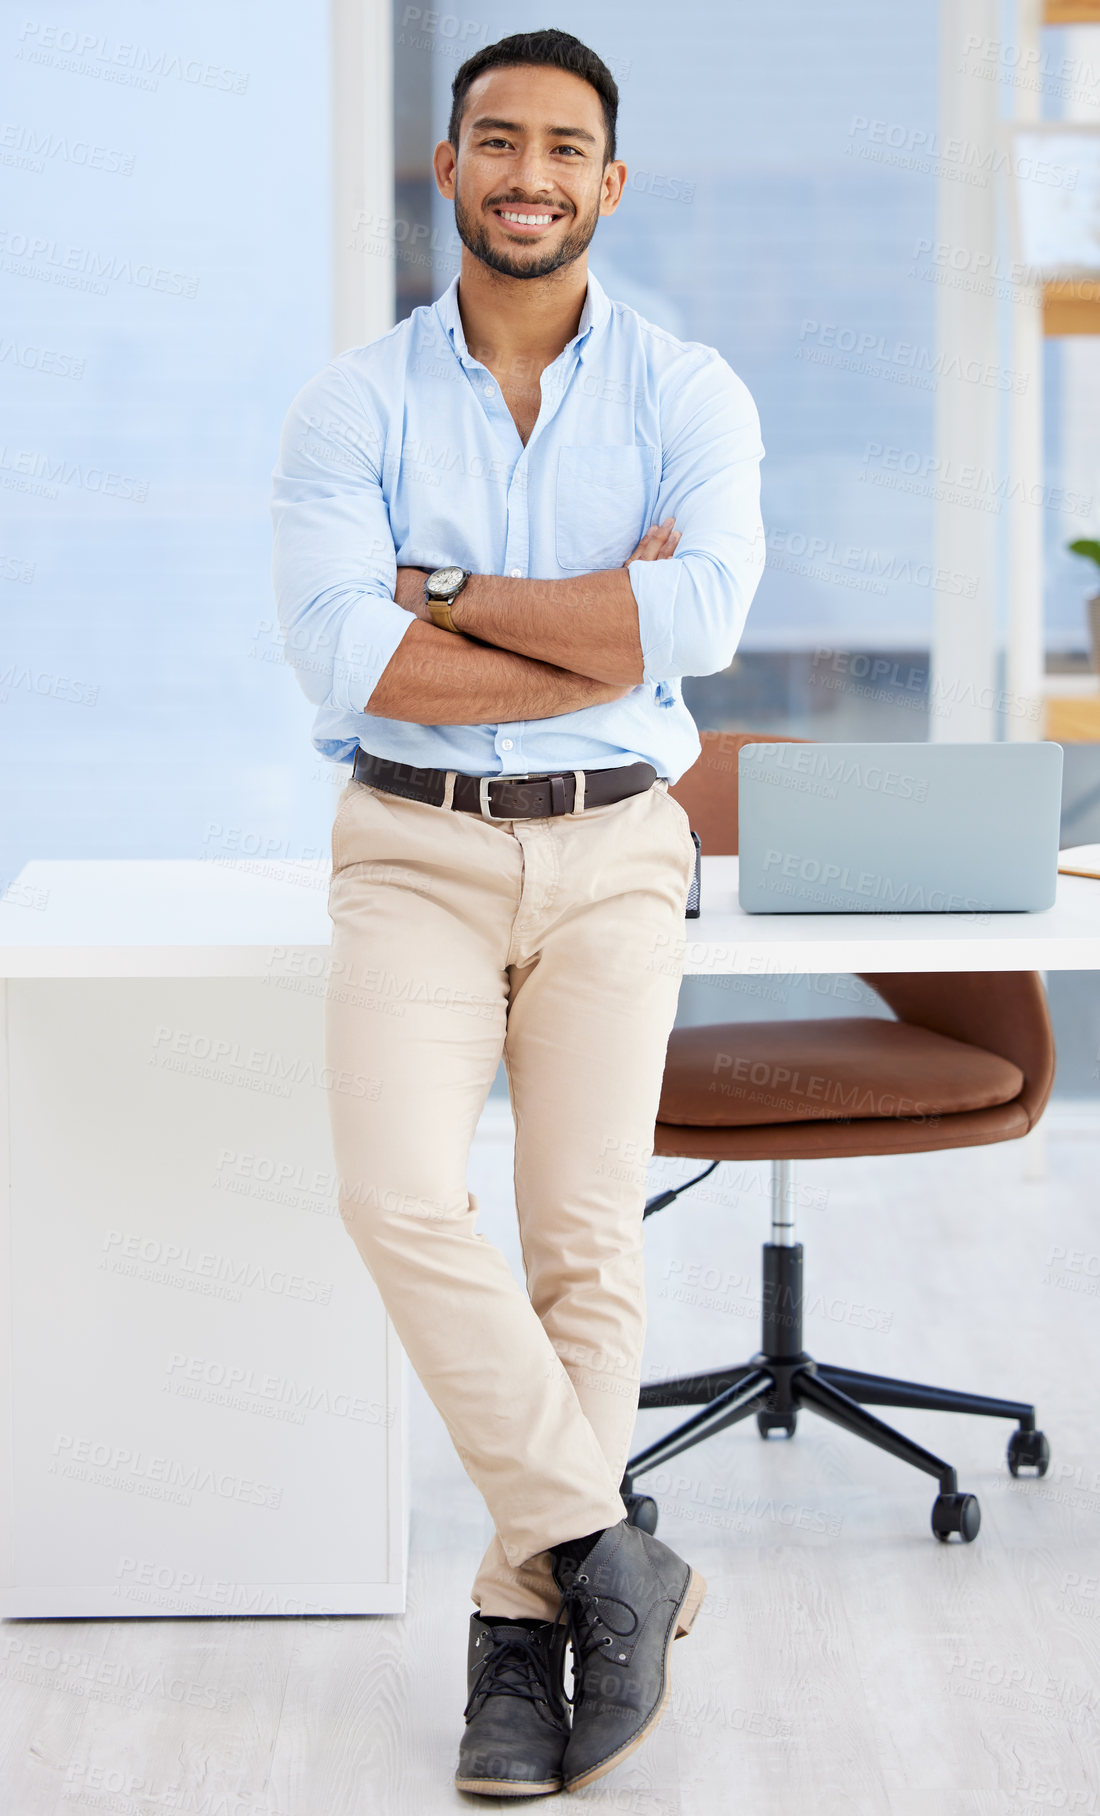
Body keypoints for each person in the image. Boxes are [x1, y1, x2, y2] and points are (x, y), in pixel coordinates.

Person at [270, 26, 765, 1797]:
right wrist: (589, 631)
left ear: (608, 183)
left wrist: (458, 597)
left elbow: (695, 626)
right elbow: (347, 653)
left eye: (565, 146)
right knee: (397, 1191)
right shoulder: (357, 402)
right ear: (450, 169)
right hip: (411, 844)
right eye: (497, 140)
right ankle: (606, 1547)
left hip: (622, 849)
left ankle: (514, 1640)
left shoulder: (688, 393)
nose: (529, 171)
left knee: (581, 1242)